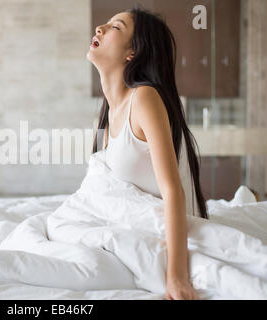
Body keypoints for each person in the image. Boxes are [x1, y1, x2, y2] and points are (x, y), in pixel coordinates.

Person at [87, 5, 209, 300]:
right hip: (128, 230)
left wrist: (176, 277)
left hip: (166, 235)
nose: (99, 29)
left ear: (133, 52)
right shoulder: (105, 115)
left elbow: (173, 191)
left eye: (115, 27)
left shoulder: (144, 98)